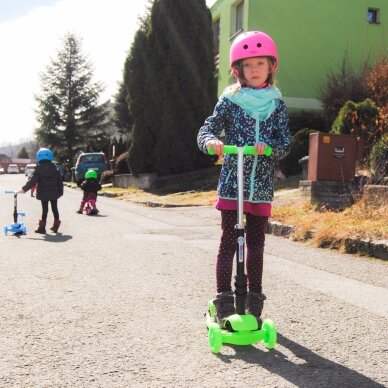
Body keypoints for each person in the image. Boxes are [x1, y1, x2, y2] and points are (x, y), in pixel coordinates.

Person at [197, 31, 292, 327]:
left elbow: (286, 142)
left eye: (260, 64)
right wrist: (211, 141)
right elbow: (207, 129)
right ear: (238, 69)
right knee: (229, 242)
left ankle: (254, 301)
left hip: (261, 188)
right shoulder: (230, 100)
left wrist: (271, 149)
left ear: (270, 67)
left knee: (256, 245)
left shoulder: (276, 105)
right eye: (248, 65)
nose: (254, 70)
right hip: (232, 185)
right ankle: (224, 299)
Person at [19, 148, 63, 233]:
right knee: (55, 208)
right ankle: (56, 226)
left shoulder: (38, 169)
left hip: (43, 194)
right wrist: (60, 192)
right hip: (54, 193)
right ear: (50, 156)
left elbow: (33, 181)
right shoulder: (55, 168)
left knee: (45, 210)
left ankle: (42, 228)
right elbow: (60, 181)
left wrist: (24, 189)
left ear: (38, 157)